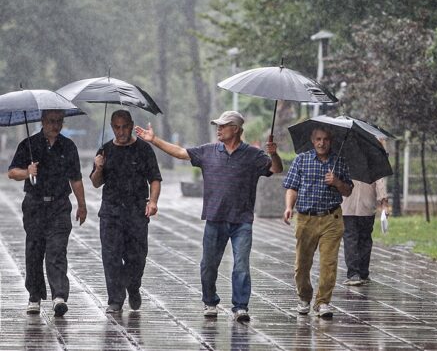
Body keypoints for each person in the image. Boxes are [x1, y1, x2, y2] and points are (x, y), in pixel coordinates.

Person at [134, 110, 283, 322]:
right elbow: (180, 152)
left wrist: (273, 153)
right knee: (208, 265)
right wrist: (154, 140)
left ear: (237, 129)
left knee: (241, 265)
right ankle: (210, 301)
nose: (219, 129)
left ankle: (240, 306)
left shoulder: (253, 155)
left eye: (223, 126)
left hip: (241, 221)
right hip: (215, 218)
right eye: (218, 126)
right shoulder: (208, 151)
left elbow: (276, 168)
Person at [7, 109, 87, 317]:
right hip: (34, 206)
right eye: (51, 121)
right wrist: (27, 172)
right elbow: (12, 172)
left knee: (56, 250)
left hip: (59, 205)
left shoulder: (68, 146)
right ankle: (34, 295)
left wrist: (82, 204)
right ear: (42, 121)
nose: (56, 125)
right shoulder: (28, 145)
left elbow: (76, 178)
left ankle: (59, 295)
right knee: (34, 251)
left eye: (59, 121)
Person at [90, 110, 161, 314]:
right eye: (117, 127)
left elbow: (154, 178)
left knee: (137, 257)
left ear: (131, 125)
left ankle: (133, 286)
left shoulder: (144, 150)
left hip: (137, 212)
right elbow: (95, 183)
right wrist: (98, 168)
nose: (121, 131)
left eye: (125, 127)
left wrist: (153, 201)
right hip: (111, 212)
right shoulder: (104, 150)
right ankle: (115, 299)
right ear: (112, 127)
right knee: (111, 256)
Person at [282, 126, 353, 318]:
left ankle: (323, 302)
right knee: (302, 264)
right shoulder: (302, 160)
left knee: (329, 263)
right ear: (313, 141)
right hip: (306, 218)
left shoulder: (339, 162)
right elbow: (292, 187)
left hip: (332, 218)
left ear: (331, 141)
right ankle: (304, 297)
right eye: (318, 139)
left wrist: (337, 182)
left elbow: (348, 191)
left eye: (326, 139)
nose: (322, 143)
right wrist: (289, 207)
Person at [341, 179, 389, 286]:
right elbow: (379, 181)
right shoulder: (372, 163)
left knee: (350, 240)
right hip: (366, 206)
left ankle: (353, 274)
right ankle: (363, 273)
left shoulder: (345, 162)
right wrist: (384, 203)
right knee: (365, 239)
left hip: (348, 206)